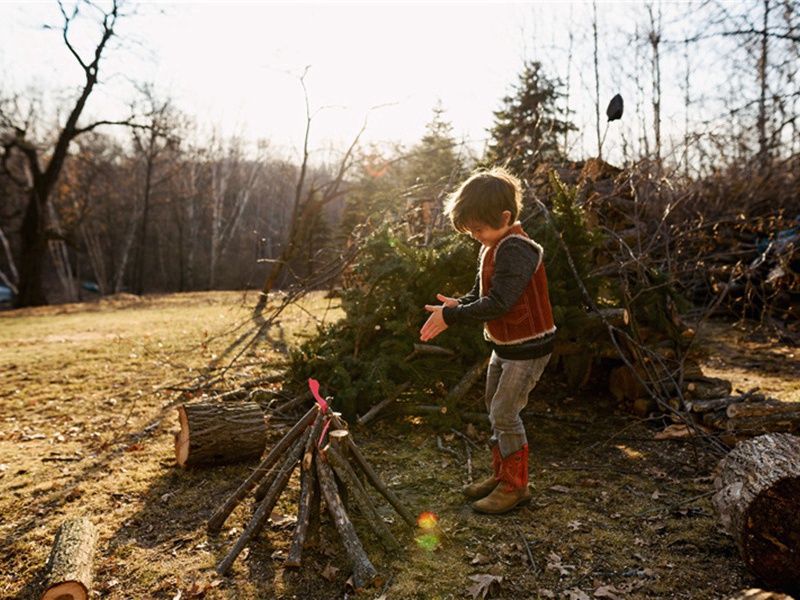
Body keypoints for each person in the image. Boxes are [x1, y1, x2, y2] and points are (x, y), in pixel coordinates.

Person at [419, 166, 556, 514]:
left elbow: (500, 303)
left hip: (528, 349)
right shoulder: (494, 245)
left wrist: (451, 317)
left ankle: (515, 487)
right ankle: (502, 476)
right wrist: (459, 304)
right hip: (506, 347)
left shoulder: (517, 249)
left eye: (478, 229)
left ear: (505, 217)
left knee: (505, 413)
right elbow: (483, 294)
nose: (475, 236)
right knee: (495, 411)